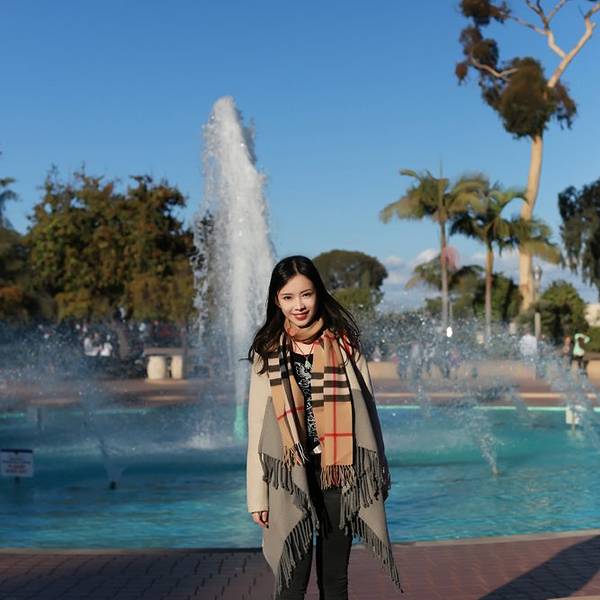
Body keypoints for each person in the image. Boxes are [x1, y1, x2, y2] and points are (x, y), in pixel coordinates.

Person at [246, 256, 402, 599]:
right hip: (289, 476)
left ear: (318, 293)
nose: (299, 305)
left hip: (339, 471)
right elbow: (257, 426)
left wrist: (377, 468)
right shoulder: (268, 351)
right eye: (288, 297)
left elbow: (368, 411)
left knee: (334, 581)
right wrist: (257, 495)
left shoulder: (344, 345)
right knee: (292, 581)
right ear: (276, 300)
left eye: (306, 294)